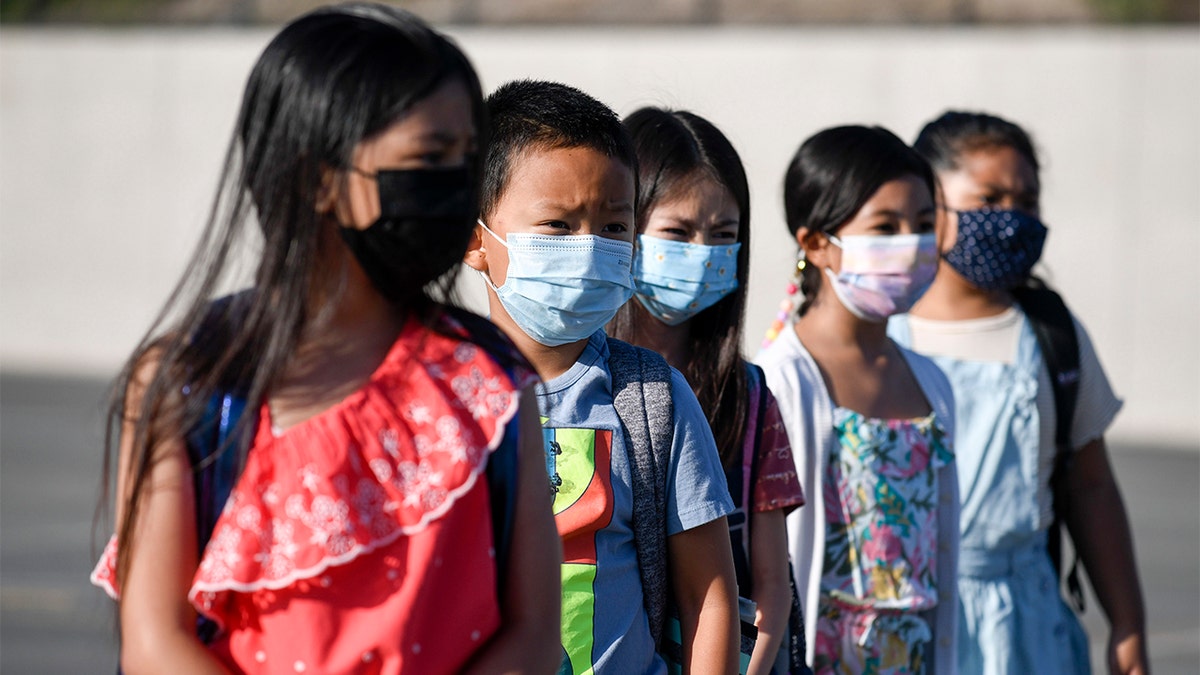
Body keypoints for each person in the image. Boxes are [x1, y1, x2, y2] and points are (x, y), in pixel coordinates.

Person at [90, 5, 562, 673]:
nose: (458, 185)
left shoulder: (491, 379)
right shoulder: (188, 380)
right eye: (430, 158)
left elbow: (536, 634)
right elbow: (153, 641)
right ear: (317, 178)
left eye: (467, 159)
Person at [463, 80, 740, 674]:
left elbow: (708, 596)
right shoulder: (434, 400)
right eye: (557, 226)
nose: (588, 248)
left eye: (614, 227)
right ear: (474, 238)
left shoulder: (652, 398)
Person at [889, 110, 1148, 675]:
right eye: (989, 198)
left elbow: (1092, 484)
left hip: (1031, 630)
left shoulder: (1052, 334)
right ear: (928, 202)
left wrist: (1127, 625)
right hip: (903, 621)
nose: (1011, 219)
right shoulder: (880, 332)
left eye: (1026, 202)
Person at [607, 106, 808, 675]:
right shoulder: (581, 385)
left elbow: (770, 582)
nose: (702, 252)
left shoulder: (748, 394)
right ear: (623, 226)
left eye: (724, 235)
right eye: (677, 232)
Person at [757, 125, 960, 674]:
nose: (914, 244)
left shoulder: (931, 382)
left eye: (923, 225)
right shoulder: (781, 381)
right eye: (885, 226)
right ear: (817, 244)